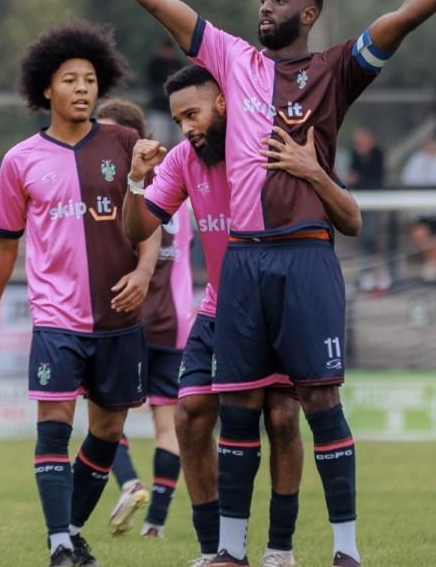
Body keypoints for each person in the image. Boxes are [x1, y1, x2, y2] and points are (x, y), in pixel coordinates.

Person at [36, 0, 436, 565]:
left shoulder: (336, 70)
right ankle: (229, 550)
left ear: (308, 13)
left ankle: (345, 549)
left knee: (315, 400)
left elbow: (402, 18)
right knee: (238, 407)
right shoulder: (232, 61)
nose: (265, 5)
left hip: (307, 254)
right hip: (246, 265)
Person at [124, 66, 363, 567]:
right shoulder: (185, 159)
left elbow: (349, 218)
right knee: (189, 416)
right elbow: (136, 227)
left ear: (224, 103)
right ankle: (217, 551)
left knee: (280, 417)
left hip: (276, 301)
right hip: (219, 308)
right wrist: (134, 181)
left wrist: (313, 171)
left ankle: (280, 549)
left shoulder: (272, 152)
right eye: (177, 118)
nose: (185, 127)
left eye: (193, 113)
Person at [0, 21, 161, 567]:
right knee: (53, 426)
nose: (82, 88)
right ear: (45, 91)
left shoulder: (125, 144)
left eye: (90, 79)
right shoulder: (20, 160)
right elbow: (4, 249)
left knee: (107, 429)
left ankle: (72, 531)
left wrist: (146, 272)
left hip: (118, 317)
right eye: (69, 79)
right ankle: (60, 545)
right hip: (56, 318)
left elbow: (152, 221)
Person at [93, 99, 193, 540]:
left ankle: (130, 482)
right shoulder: (180, 185)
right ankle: (155, 524)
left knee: (105, 412)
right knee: (166, 424)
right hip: (176, 321)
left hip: (127, 319)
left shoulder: (120, 194)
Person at [401, 136, 436, 280]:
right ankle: (433, 264)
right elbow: (409, 179)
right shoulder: (415, 161)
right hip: (421, 208)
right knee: (420, 234)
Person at [346, 128, 389, 291]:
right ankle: (366, 273)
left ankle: (381, 273)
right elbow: (351, 178)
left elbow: (376, 179)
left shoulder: (378, 155)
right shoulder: (355, 156)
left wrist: (358, 179)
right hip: (358, 202)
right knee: (362, 238)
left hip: (375, 202)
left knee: (372, 236)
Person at [145, 40, 183, 143]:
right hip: (158, 107)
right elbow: (151, 83)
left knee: (177, 140)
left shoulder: (177, 63)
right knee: (159, 139)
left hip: (175, 109)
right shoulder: (154, 63)